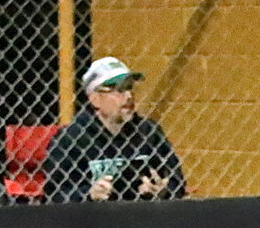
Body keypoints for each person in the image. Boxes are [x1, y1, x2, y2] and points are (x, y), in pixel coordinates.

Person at [45, 56, 185, 204]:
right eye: (119, 90)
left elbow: (177, 181)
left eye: (129, 87)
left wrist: (163, 190)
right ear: (95, 98)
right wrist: (89, 194)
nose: (128, 96)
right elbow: (54, 194)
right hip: (92, 221)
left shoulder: (148, 131)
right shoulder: (71, 138)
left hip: (141, 217)